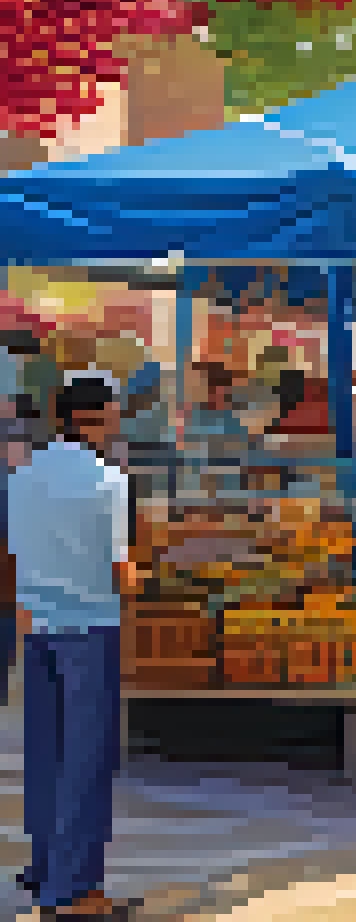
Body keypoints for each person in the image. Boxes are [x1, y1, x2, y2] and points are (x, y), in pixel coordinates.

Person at [10, 377, 135, 918]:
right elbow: (120, 570)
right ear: (91, 418)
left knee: (45, 756)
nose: (115, 423)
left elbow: (8, 556)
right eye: (111, 414)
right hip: (91, 629)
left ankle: (42, 869)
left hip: (37, 629)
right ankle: (75, 891)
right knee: (86, 761)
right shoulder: (109, 481)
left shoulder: (21, 478)